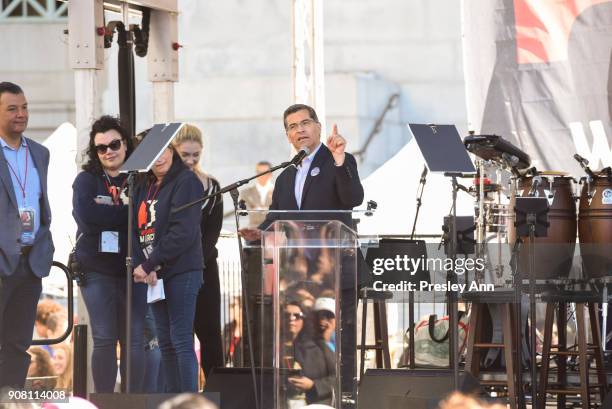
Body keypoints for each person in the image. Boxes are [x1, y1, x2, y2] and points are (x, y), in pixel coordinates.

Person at [240, 103, 364, 402]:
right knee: (307, 342)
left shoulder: (338, 161)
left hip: (337, 269)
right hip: (299, 277)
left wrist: (338, 161)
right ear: (287, 136)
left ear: (318, 127)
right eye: (293, 126)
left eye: (306, 123)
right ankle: (315, 400)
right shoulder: (284, 176)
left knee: (340, 341)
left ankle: (345, 398)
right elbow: (276, 218)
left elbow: (353, 198)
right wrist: (261, 233)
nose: (300, 130)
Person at [72, 115, 147, 392]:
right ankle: (104, 401)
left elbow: (144, 220)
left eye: (114, 144)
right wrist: (126, 213)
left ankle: (132, 400)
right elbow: (87, 218)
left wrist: (112, 214)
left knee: (134, 339)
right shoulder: (86, 180)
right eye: (101, 148)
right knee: (104, 337)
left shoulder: (140, 179)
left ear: (126, 144)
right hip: (96, 269)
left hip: (135, 268)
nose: (109, 151)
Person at [132, 143, 204, 392]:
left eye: (164, 150)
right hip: (154, 272)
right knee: (165, 342)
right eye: (153, 152)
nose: (159, 157)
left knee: (181, 339)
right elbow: (135, 228)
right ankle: (173, 400)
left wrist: (152, 262)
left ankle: (189, 402)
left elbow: (183, 230)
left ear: (172, 151)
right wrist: (147, 263)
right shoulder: (143, 185)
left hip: (181, 269)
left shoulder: (186, 181)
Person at [0, 82, 55, 389]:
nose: (20, 114)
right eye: (11, 109)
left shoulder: (40, 152)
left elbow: (41, 203)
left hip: (30, 260)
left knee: (18, 345)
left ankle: (10, 402)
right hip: (2, 260)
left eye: (24, 107)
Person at [172, 124, 224, 380]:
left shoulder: (212, 187)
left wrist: (196, 263)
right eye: (185, 155)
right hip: (173, 269)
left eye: (196, 155)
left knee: (210, 331)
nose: (191, 161)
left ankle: (217, 388)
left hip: (204, 267)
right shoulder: (167, 187)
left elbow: (212, 234)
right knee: (179, 335)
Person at [283, 302, 335, 406]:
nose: (291, 319)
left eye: (297, 316)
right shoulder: (269, 348)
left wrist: (313, 385)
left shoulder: (318, 347)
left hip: (315, 404)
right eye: (286, 315)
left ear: (303, 320)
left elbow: (338, 377)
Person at [239, 161, 274, 227]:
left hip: (273, 232)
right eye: (259, 173)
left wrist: (257, 208)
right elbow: (247, 212)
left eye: (265, 173)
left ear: (270, 173)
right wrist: (267, 210)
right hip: (253, 232)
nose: (261, 175)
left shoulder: (278, 191)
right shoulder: (246, 193)